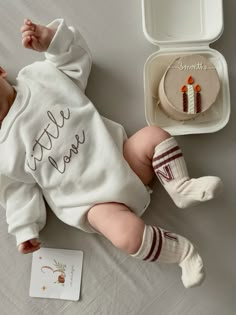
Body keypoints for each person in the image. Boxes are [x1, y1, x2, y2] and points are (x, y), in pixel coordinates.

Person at [0, 18, 222, 288]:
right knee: (126, 237)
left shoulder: (38, 77)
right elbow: (16, 191)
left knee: (154, 135)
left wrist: (52, 41)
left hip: (124, 159)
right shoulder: (4, 152)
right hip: (92, 203)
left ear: (0, 71)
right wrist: (24, 228)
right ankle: (183, 253)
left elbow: (76, 62)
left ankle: (180, 186)